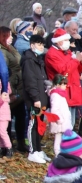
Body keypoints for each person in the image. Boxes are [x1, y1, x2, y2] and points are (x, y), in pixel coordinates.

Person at [45, 26, 82, 123]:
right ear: (59, 41)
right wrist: (76, 60)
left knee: (71, 122)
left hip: (72, 89)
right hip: (63, 91)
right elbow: (62, 71)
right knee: (65, 123)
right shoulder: (52, 54)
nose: (68, 42)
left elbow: (75, 70)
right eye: (66, 40)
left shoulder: (67, 51)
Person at [20, 34, 48, 163]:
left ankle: (38, 149)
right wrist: (35, 98)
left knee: (39, 124)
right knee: (33, 124)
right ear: (32, 45)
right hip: (34, 99)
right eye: (38, 44)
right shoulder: (28, 60)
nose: (41, 47)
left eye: (42, 44)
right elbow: (30, 81)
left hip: (41, 98)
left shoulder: (39, 60)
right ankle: (32, 151)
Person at [0, 26, 26, 154]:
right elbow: (4, 72)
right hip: (11, 88)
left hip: (18, 86)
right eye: (9, 35)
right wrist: (6, 89)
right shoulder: (2, 51)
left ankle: (20, 142)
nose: (12, 37)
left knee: (20, 115)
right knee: (7, 118)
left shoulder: (10, 48)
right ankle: (7, 145)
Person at [48, 75, 72, 155]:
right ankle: (58, 154)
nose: (66, 86)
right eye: (64, 84)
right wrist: (59, 120)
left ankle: (62, 153)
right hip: (60, 122)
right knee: (58, 139)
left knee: (62, 138)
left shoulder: (61, 94)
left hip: (63, 121)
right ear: (58, 85)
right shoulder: (55, 95)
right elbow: (54, 109)